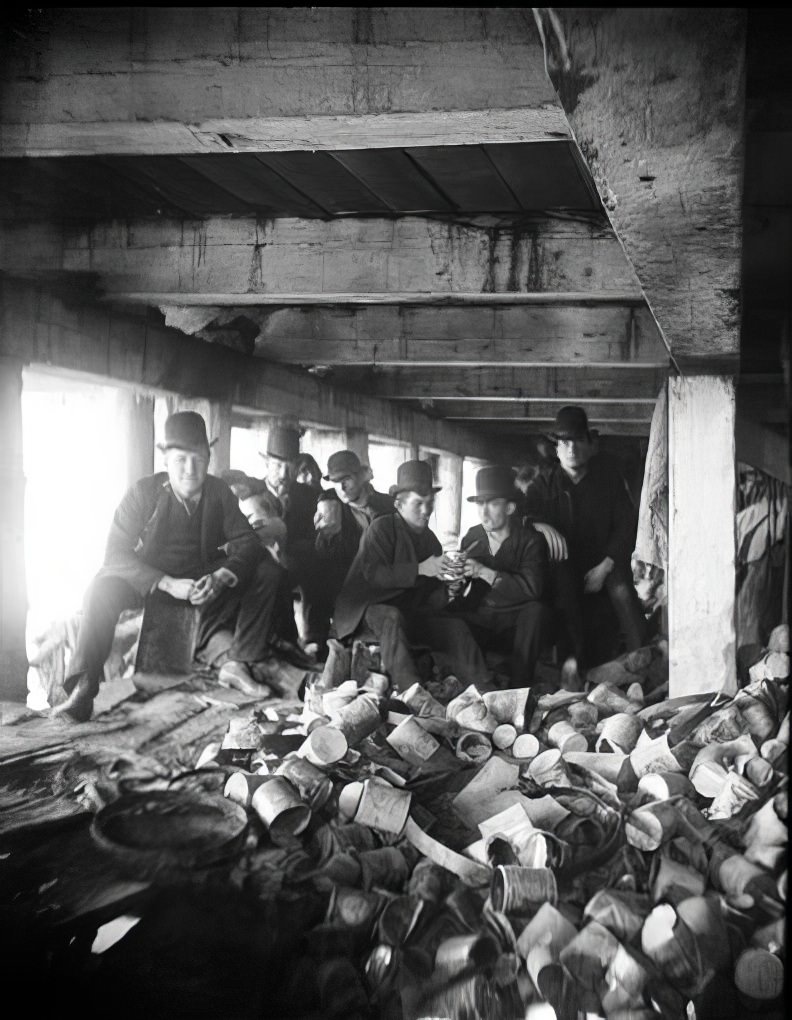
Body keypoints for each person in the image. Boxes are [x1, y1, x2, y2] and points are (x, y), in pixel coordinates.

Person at [53, 412, 299, 722]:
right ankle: (84, 687)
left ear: (208, 456)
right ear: (165, 458)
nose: (190, 470)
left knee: (267, 569)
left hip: (200, 581)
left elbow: (247, 542)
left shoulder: (219, 492)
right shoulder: (143, 493)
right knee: (100, 589)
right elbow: (115, 554)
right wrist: (165, 582)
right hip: (148, 580)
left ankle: (239, 662)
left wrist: (221, 577)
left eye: (198, 458)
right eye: (180, 459)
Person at [333, 460, 490, 691]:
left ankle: (486, 691)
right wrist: (419, 568)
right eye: (418, 503)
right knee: (391, 616)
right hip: (365, 613)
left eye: (429, 503)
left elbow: (430, 598)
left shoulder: (430, 541)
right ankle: (412, 691)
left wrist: (450, 590)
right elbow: (373, 575)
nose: (426, 511)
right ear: (399, 504)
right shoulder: (381, 528)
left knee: (455, 626)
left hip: (407, 615)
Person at [523, 405, 646, 667]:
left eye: (578, 441)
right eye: (565, 442)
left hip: (604, 565)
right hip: (563, 569)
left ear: (590, 444)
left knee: (622, 588)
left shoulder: (609, 480)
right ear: (556, 448)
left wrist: (606, 565)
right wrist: (537, 524)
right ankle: (572, 670)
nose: (572, 449)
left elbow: (628, 526)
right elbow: (520, 515)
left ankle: (643, 657)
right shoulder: (544, 483)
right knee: (561, 594)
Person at [450, 466, 551, 686]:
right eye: (480, 504)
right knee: (450, 620)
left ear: (510, 507)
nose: (484, 512)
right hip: (483, 620)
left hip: (515, 626)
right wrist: (454, 579)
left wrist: (485, 572)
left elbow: (532, 589)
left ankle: (519, 687)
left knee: (537, 611)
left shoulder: (530, 541)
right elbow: (463, 589)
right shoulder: (472, 536)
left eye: (493, 504)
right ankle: (477, 686)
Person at [258, 425, 325, 652]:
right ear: (265, 463)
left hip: (298, 563)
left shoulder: (310, 496)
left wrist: (291, 552)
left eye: (290, 467)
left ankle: (313, 638)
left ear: (298, 466)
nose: (284, 475)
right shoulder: (253, 494)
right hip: (261, 564)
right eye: (277, 466)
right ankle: (281, 640)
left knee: (316, 565)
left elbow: (315, 535)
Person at [313, 449, 394, 602]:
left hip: (387, 589)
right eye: (335, 482)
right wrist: (326, 534)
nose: (341, 488)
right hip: (349, 595)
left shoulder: (388, 506)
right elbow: (324, 561)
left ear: (362, 475)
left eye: (346, 479)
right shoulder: (332, 508)